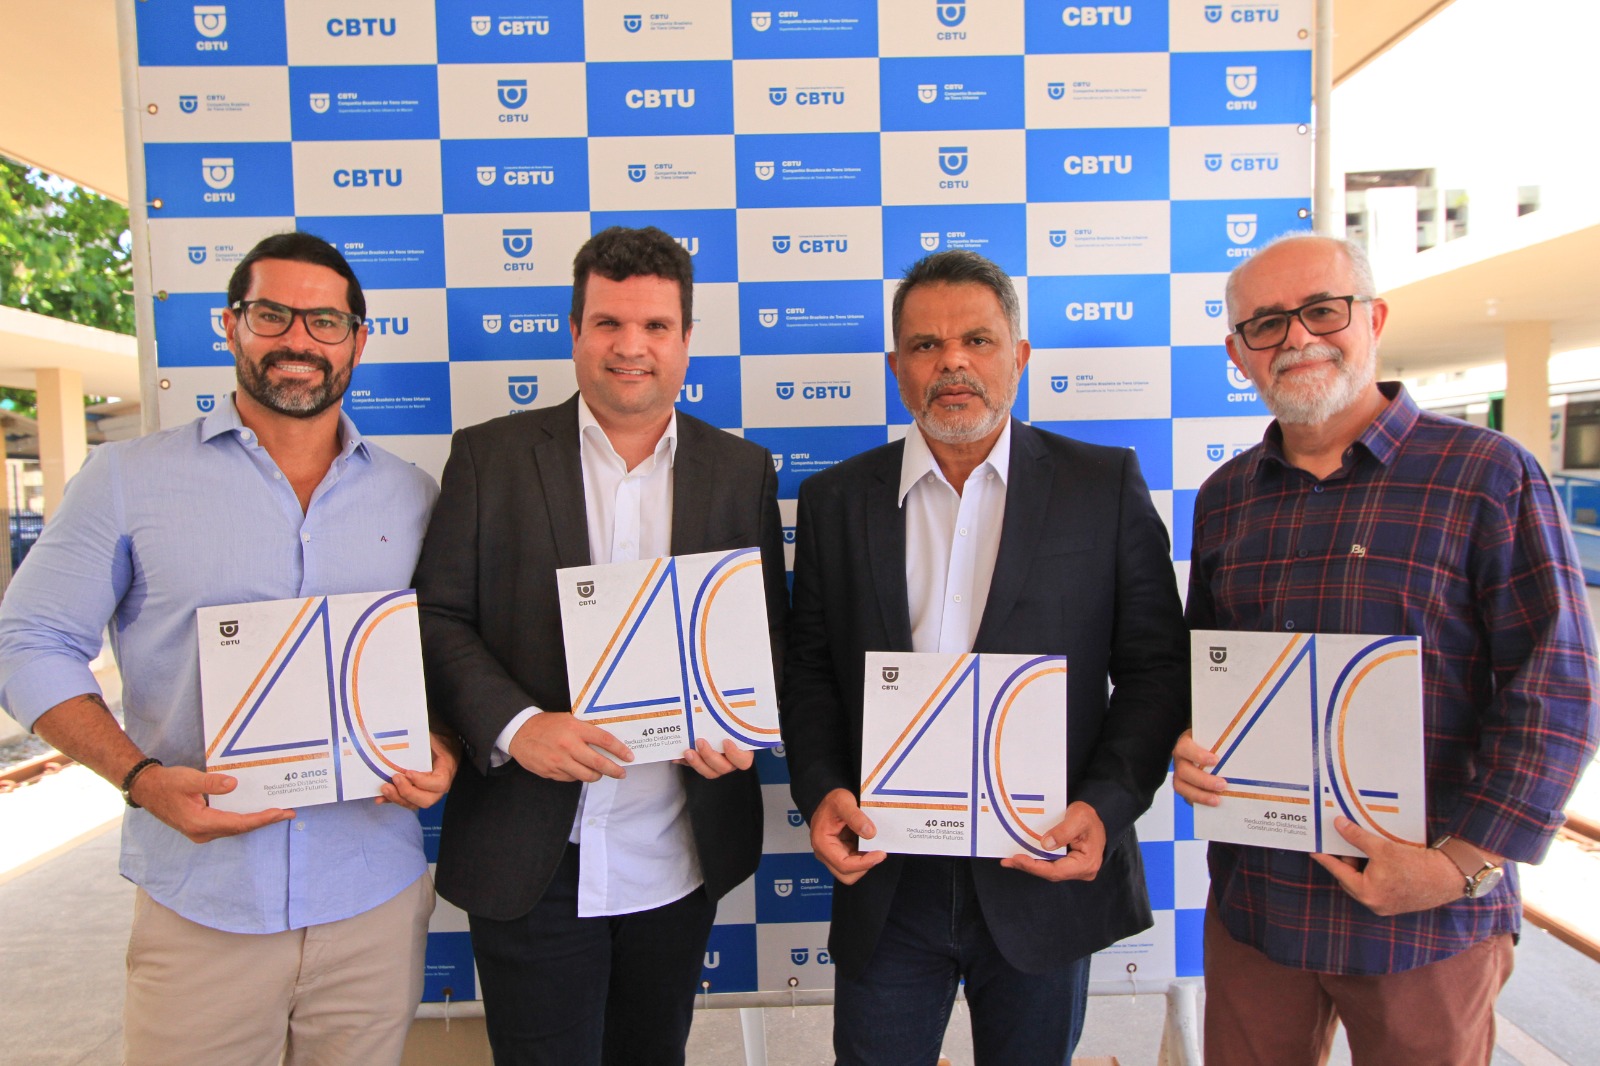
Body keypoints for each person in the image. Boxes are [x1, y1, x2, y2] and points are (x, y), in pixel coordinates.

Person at [0, 231, 457, 1065]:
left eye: (324, 322)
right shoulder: (127, 479)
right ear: (230, 325)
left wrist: (448, 746)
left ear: (359, 338)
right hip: (201, 903)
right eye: (271, 314)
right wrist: (138, 779)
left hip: (372, 900)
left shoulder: (413, 493)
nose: (297, 341)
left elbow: (445, 656)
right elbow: (30, 638)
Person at [1174, 233, 1600, 1065]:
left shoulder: (1487, 474)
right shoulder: (1227, 499)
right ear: (1238, 354)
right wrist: (1188, 747)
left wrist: (1459, 867)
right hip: (1262, 907)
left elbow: (1556, 693)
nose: (1296, 338)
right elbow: (1207, 672)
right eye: (1265, 324)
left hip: (1428, 923)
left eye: (1321, 310)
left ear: (1372, 318)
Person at [780, 249, 1188, 1064]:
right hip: (890, 874)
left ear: (1020, 357)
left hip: (1040, 870)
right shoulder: (836, 500)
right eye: (927, 346)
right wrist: (822, 786)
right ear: (898, 367)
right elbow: (812, 673)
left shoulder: (1102, 486)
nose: (953, 362)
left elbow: (1155, 670)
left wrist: (1105, 808)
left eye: (977, 339)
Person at [413, 225, 786, 1066]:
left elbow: (763, 633)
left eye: (656, 326)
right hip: (533, 854)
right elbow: (436, 617)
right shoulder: (489, 457)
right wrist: (516, 726)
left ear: (687, 339)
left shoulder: (740, 472)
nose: (632, 347)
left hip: (677, 852)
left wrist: (740, 721)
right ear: (574, 331)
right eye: (609, 323)